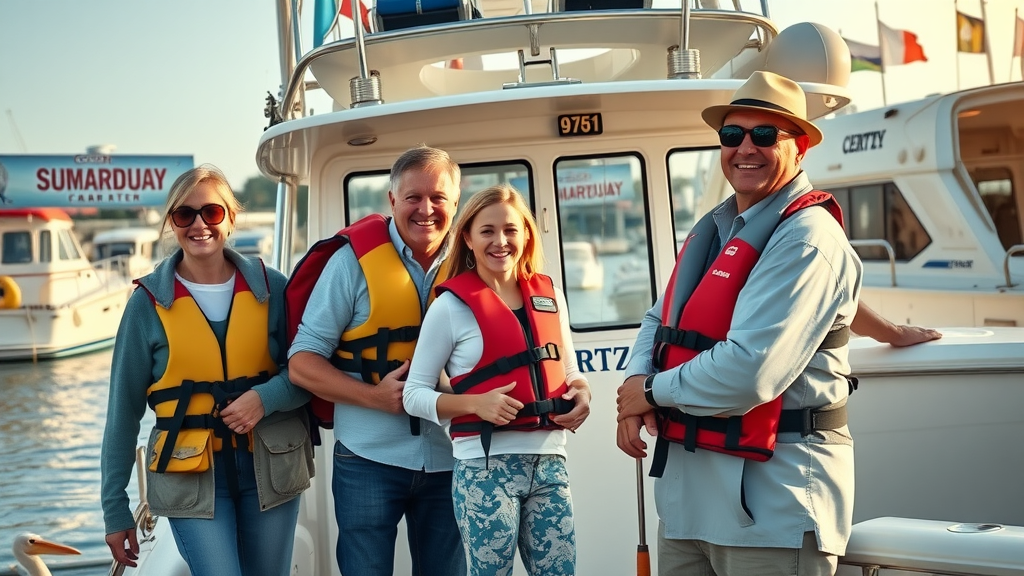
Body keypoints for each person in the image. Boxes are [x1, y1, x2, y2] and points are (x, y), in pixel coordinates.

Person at [615, 70, 867, 576]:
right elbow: (659, 316)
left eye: (765, 134)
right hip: (688, 510)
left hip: (770, 510)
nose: (745, 147)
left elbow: (752, 371)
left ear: (800, 147)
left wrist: (652, 391)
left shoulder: (806, 240)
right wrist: (633, 385)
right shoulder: (719, 226)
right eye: (732, 135)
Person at [101, 165, 313, 576]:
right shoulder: (145, 305)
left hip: (270, 465)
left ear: (231, 218)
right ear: (172, 223)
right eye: (185, 215)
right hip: (188, 475)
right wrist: (115, 508)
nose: (199, 224)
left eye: (212, 213)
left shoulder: (273, 288)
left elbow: (309, 371)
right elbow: (122, 415)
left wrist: (264, 399)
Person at [288, 146, 466, 576]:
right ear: (391, 201)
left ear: (456, 202)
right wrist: (373, 397)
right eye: (413, 197)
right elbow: (301, 362)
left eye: (439, 197)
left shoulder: (477, 263)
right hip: (367, 458)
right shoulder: (350, 265)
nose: (426, 209)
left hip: (455, 459)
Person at [403, 184, 591, 576]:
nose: (500, 241)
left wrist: (583, 394)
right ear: (467, 238)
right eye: (487, 231)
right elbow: (413, 394)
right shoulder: (450, 308)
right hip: (485, 467)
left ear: (525, 233)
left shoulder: (550, 293)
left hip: (550, 463)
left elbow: (570, 371)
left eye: (510, 229)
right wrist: (475, 404)